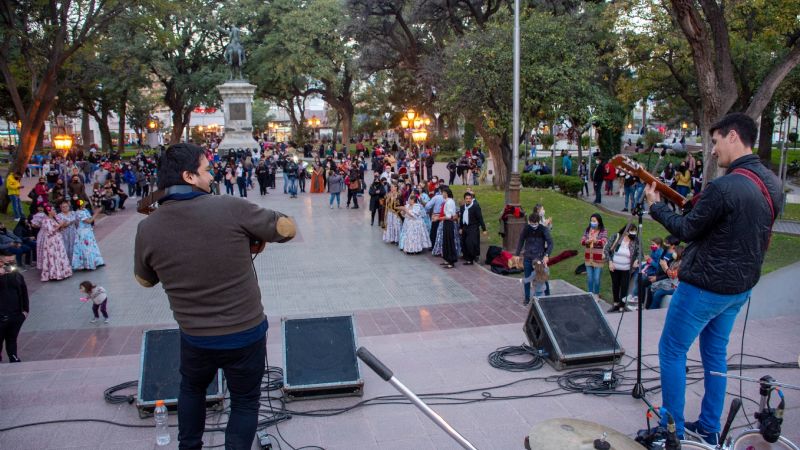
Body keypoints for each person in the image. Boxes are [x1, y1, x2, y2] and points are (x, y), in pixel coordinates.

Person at [134, 143, 296, 450]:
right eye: (207, 170)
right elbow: (286, 229)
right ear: (189, 176)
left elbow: (144, 280)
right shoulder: (230, 207)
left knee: (192, 389)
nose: (212, 176)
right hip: (244, 334)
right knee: (246, 402)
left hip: (195, 336)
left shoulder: (148, 226)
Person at [643, 113, 782, 444]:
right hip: (739, 289)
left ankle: (670, 429)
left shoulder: (723, 187)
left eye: (716, 142)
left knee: (672, 350)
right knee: (715, 355)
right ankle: (708, 427)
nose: (713, 151)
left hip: (704, 286)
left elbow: (687, 229)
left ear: (733, 137)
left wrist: (655, 206)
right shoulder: (771, 184)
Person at [516, 212, 553, 305]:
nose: (533, 226)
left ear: (538, 222)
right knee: (527, 277)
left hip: (539, 258)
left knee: (543, 277)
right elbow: (521, 240)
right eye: (531, 224)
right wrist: (517, 254)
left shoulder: (543, 229)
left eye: (535, 224)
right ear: (529, 222)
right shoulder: (526, 228)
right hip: (528, 257)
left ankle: (548, 296)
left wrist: (546, 255)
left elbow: (550, 243)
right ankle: (527, 298)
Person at [0, 249, 29, 363]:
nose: (10, 265)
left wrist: (25, 311)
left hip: (16, 315)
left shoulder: (17, 275)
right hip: (1, 316)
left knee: (12, 339)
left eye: (13, 262)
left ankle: (13, 357)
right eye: (7, 263)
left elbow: (23, 292)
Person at [603, 223, 639, 312]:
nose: (633, 233)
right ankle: (615, 304)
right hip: (614, 267)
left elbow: (640, 253)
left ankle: (622, 306)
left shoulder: (635, 240)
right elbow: (606, 250)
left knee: (624, 287)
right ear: (626, 231)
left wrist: (636, 260)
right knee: (615, 285)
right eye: (632, 230)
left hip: (626, 269)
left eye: (635, 231)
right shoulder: (616, 236)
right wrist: (610, 262)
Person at [38, 205, 73, 282]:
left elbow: (58, 229)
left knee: (60, 255)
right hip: (51, 241)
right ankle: (54, 274)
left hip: (58, 239)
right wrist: (60, 225)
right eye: (53, 209)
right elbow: (50, 231)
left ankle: (63, 272)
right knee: (54, 256)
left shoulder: (54, 219)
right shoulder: (46, 220)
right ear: (48, 211)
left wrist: (62, 226)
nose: (55, 211)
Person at [72, 200, 104, 271]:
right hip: (83, 232)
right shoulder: (80, 213)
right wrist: (97, 213)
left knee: (91, 246)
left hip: (87, 231)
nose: (85, 203)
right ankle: (88, 263)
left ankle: (95, 261)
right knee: (86, 248)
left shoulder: (84, 210)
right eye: (83, 203)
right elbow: (89, 221)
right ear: (80, 205)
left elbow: (89, 219)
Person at [581, 213, 607, 299]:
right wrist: (587, 241)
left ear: (598, 222)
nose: (592, 222)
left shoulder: (603, 231)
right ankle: (590, 294)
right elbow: (582, 241)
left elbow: (603, 242)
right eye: (591, 221)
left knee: (596, 278)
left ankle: (596, 294)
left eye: (594, 221)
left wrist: (596, 241)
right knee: (590, 278)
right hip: (589, 257)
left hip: (598, 258)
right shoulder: (587, 230)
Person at [432, 188, 460, 268]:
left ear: (446, 193)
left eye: (443, 193)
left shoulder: (450, 202)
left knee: (449, 241)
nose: (442, 194)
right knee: (446, 241)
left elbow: (448, 216)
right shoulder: (447, 201)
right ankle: (447, 259)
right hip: (446, 223)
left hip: (449, 223)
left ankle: (451, 261)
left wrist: (438, 218)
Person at [458, 192, 486, 265]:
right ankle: (468, 257)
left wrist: (484, 229)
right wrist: (460, 228)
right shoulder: (462, 207)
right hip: (465, 227)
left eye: (469, 198)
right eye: (466, 199)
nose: (468, 200)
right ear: (464, 199)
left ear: (471, 199)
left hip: (473, 227)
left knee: (470, 242)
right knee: (464, 242)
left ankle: (471, 259)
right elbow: (461, 218)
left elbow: (480, 218)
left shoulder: (475, 207)